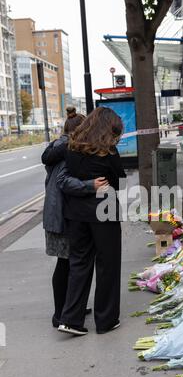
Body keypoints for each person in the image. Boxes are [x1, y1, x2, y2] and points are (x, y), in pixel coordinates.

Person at [58, 107, 126, 336]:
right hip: (104, 210)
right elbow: (118, 178)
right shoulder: (108, 152)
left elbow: (64, 177)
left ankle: (70, 319)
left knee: (79, 264)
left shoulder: (72, 145)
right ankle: (106, 320)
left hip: (75, 213)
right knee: (108, 264)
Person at [42, 107, 108, 328]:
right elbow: (63, 181)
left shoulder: (59, 147)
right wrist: (91, 185)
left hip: (58, 213)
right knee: (66, 264)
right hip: (61, 216)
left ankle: (70, 308)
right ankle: (60, 314)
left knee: (69, 263)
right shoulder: (66, 150)